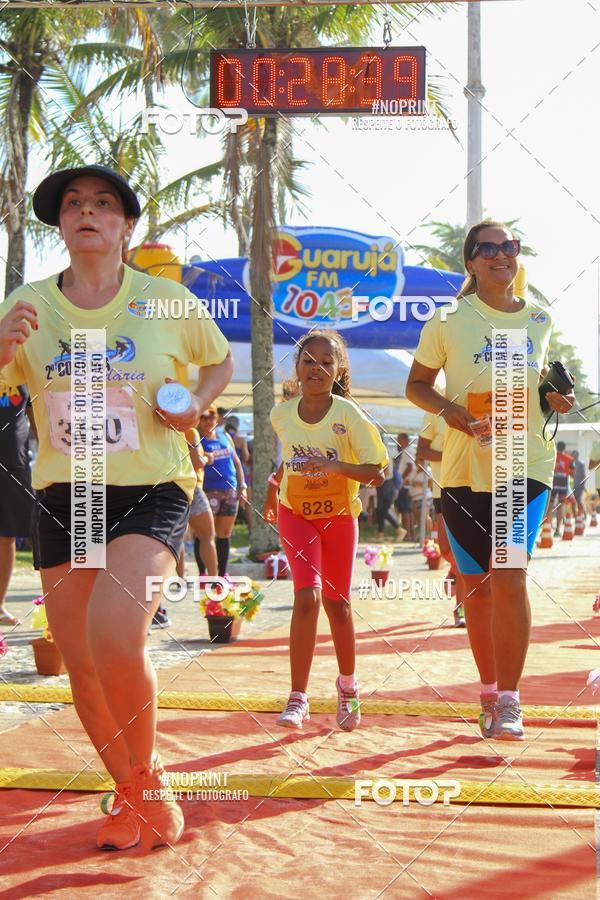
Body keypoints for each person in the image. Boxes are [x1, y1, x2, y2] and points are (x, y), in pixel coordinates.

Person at [0, 164, 233, 851]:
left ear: (127, 226)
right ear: (61, 225)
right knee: (80, 660)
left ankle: (148, 780)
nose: (87, 213)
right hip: (66, 493)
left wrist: (196, 401)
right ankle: (133, 793)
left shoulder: (163, 300)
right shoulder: (29, 303)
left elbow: (217, 363)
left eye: (103, 204)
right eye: (73, 204)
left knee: (115, 632)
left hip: (151, 488)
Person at [406, 220, 574, 741]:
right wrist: (452, 411)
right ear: (471, 262)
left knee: (509, 572)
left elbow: (539, 388)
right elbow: (417, 386)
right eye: (490, 248)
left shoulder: (540, 318)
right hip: (462, 467)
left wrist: (553, 398)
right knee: (476, 589)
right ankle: (487, 689)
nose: (503, 254)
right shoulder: (448, 319)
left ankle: (510, 699)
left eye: (511, 246)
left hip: (524, 465)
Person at [264, 329, 387, 732]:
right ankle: (298, 697)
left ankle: (348, 687)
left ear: (339, 370)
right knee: (306, 598)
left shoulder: (349, 416)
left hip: (337, 515)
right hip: (294, 512)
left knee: (337, 604)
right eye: (307, 360)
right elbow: (290, 458)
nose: (316, 368)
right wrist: (272, 490)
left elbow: (377, 474)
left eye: (326, 362)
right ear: (296, 368)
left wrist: (336, 467)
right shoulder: (280, 414)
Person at [417, 409, 466, 627]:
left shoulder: (476, 405)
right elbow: (422, 451)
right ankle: (456, 569)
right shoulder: (433, 412)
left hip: (471, 487)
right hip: (441, 489)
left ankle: (461, 609)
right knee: (445, 549)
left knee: (464, 554)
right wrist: (451, 455)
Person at [0, 379, 35, 626]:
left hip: (15, 463)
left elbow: (38, 411)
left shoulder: (23, 362)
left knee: (8, 535)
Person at [199, 405, 247, 576]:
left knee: (224, 533)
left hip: (230, 489)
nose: (208, 421)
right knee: (206, 533)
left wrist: (243, 486)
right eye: (203, 417)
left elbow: (237, 462)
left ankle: (222, 574)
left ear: (217, 418)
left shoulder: (224, 435)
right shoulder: (196, 438)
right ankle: (203, 573)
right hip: (208, 490)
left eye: (211, 416)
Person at [184, 425, 218, 578]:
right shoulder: (191, 431)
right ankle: (214, 580)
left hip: (169, 488)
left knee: (177, 539)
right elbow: (197, 462)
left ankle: (180, 579)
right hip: (192, 487)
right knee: (208, 536)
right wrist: (208, 458)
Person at [375, 460, 406, 542]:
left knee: (383, 510)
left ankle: (399, 529)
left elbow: (387, 472)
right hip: (382, 485)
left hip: (387, 486)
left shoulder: (384, 454)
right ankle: (380, 534)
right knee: (379, 510)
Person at [551, 441, 575, 536]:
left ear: (557, 447)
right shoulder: (569, 459)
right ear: (564, 449)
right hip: (563, 485)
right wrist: (567, 471)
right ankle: (557, 530)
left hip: (552, 483)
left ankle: (546, 527)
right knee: (561, 506)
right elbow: (573, 475)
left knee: (549, 506)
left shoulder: (552, 456)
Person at [394, 433, 414, 539]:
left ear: (405, 440)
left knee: (405, 510)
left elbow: (410, 467)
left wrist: (400, 479)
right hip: (406, 484)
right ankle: (410, 534)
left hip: (405, 484)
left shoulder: (407, 450)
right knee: (407, 510)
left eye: (399, 440)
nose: (397, 442)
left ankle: (408, 535)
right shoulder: (407, 450)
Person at [570, 449, 586, 522]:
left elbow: (583, 475)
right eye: (572, 455)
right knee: (573, 501)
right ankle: (576, 516)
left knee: (578, 500)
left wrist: (583, 485)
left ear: (577, 455)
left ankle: (583, 514)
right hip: (571, 485)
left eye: (575, 455)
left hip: (579, 485)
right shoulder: (570, 463)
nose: (573, 456)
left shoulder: (581, 464)